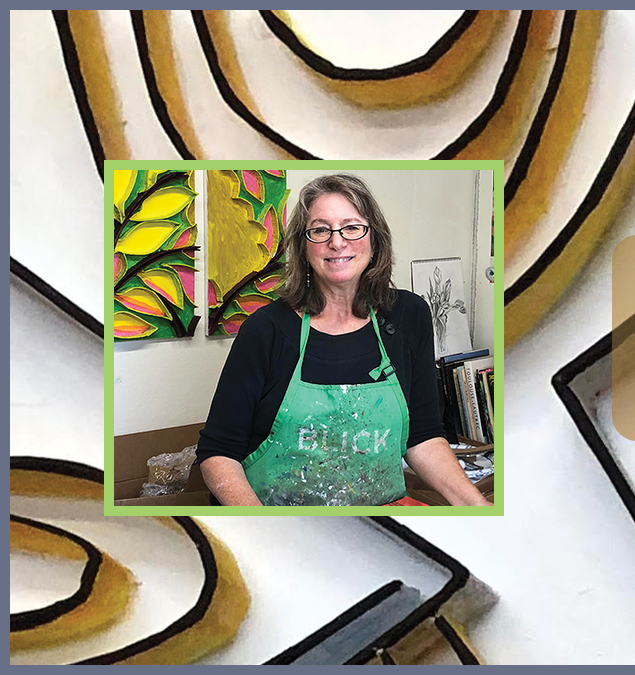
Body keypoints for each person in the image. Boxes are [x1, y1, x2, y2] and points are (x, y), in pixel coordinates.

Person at [197, 173, 491, 506]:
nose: (337, 243)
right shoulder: (266, 330)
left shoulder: (408, 317)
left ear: (375, 239)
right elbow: (218, 453)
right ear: (303, 246)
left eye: (352, 227)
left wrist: (477, 507)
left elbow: (422, 437)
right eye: (320, 230)